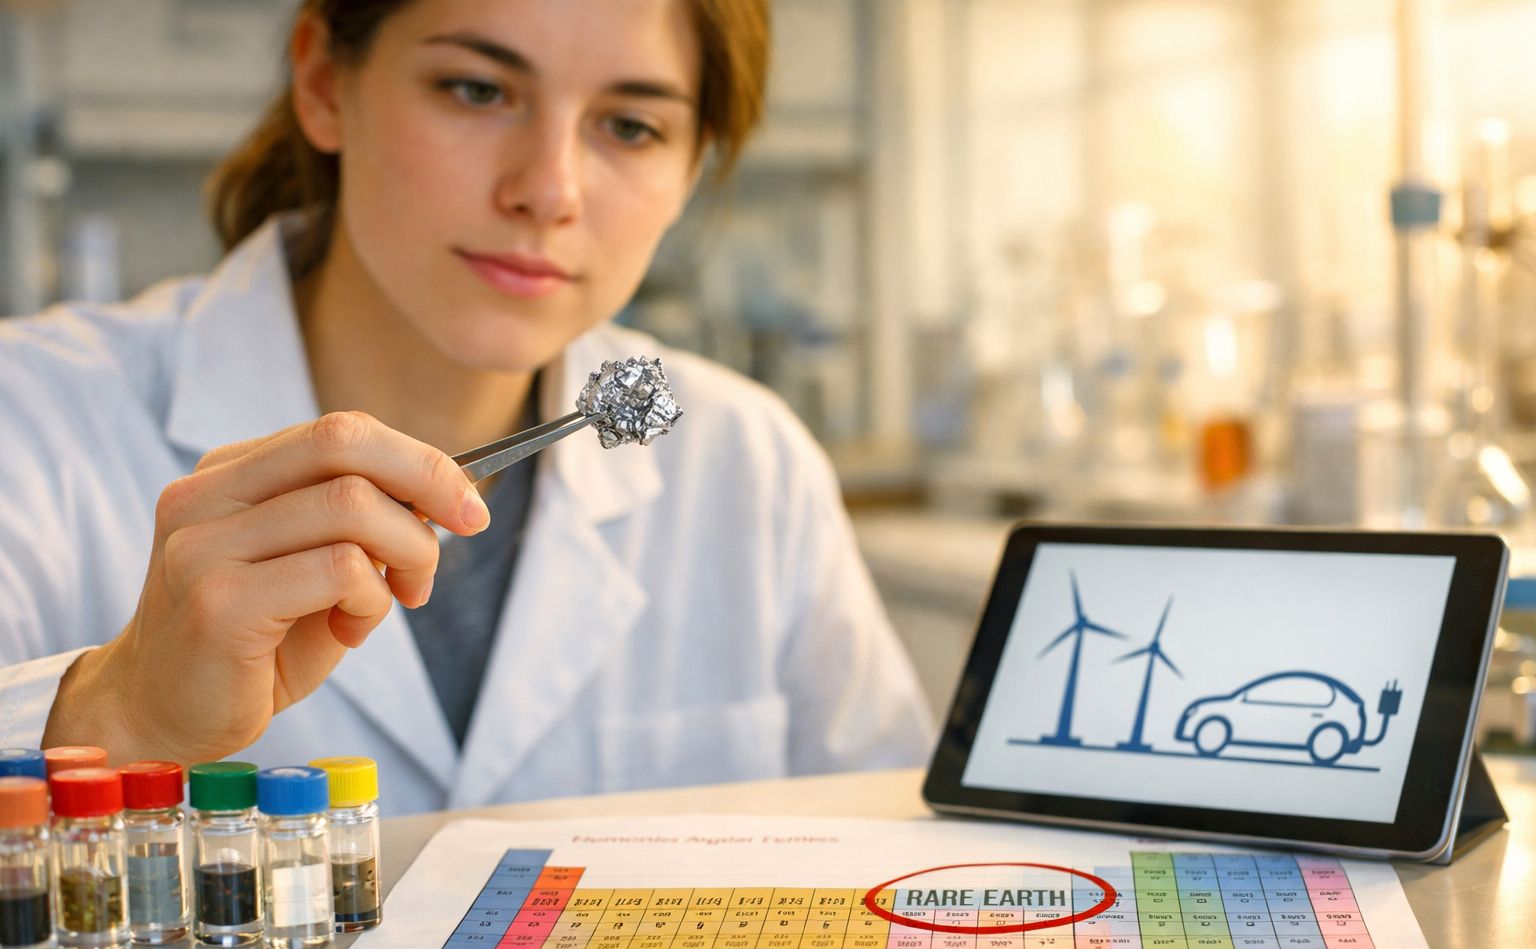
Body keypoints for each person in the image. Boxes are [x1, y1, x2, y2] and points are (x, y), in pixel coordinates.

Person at [0, 0, 932, 813]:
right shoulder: (34, 417)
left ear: (692, 169)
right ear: (325, 83)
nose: (548, 190)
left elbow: (897, 865)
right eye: (478, 90)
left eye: (632, 126)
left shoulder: (747, 461)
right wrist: (118, 713)